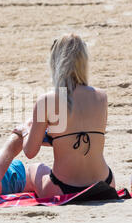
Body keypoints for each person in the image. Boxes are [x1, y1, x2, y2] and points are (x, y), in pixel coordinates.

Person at [20, 33, 116, 198]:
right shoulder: (101, 96)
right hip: (105, 183)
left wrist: (24, 131)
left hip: (64, 188)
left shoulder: (48, 100)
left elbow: (30, 151)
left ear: (56, 63)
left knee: (33, 170)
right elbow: (85, 137)